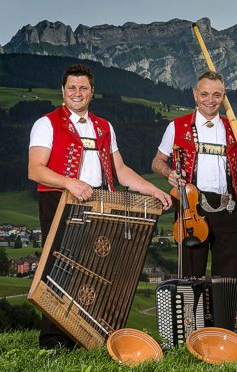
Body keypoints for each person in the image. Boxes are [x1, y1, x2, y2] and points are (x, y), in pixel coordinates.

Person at [28, 64, 171, 349]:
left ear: (92, 92)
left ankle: (89, 335)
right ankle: (54, 339)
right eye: (72, 88)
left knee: (97, 268)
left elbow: (119, 169)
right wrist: (69, 182)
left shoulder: (104, 127)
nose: (77, 93)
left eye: (83, 88)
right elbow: (35, 170)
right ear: (63, 91)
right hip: (61, 201)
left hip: (101, 203)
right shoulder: (46, 123)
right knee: (61, 269)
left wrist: (153, 188)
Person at [151, 71, 237, 278]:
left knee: (227, 280)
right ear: (195, 95)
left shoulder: (234, 128)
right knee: (191, 277)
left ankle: (222, 311)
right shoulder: (177, 126)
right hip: (191, 207)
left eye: (217, 95)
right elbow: (157, 162)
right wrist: (169, 173)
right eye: (205, 94)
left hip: (228, 209)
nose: (210, 100)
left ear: (224, 96)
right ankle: (193, 312)